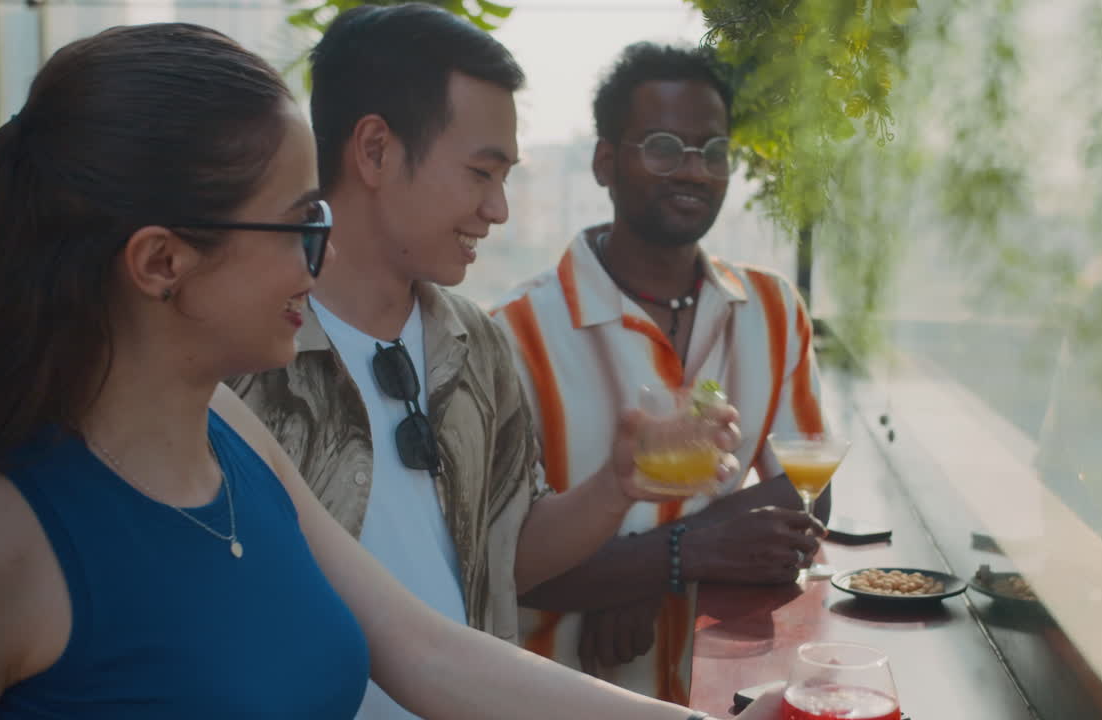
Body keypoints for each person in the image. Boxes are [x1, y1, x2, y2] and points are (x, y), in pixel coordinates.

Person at [0, 22, 782, 720]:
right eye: (297, 225)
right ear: (161, 261)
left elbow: (429, 650)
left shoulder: (226, 434)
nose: (313, 264)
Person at [225, 8, 737, 716]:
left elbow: (504, 556)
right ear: (373, 151)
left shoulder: (476, 343)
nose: (497, 209)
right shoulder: (240, 353)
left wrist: (620, 483)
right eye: (479, 173)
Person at [492, 42, 832, 702]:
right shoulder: (512, 332)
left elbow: (808, 493)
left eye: (712, 151)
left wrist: (650, 572)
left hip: (715, 688)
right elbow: (502, 562)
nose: (694, 172)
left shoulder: (774, 309)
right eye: (664, 146)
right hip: (551, 698)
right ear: (604, 162)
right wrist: (679, 559)